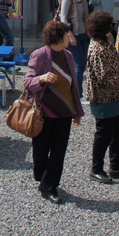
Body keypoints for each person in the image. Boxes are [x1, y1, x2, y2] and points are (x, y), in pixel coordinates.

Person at [24, 21, 82, 205]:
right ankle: (42, 177)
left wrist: (77, 112)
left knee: (59, 152)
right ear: (58, 37)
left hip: (64, 112)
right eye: (67, 35)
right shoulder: (40, 55)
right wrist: (41, 78)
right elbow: (28, 81)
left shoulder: (68, 55)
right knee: (40, 152)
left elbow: (73, 87)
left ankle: (50, 185)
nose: (70, 38)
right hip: (43, 113)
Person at [84, 10, 119, 184]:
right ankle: (96, 168)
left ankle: (115, 166)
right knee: (104, 134)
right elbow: (104, 78)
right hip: (103, 97)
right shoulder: (99, 49)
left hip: (113, 96)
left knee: (118, 130)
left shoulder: (101, 44)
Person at [58, 0, 91, 89]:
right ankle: (78, 92)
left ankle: (74, 90)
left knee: (80, 63)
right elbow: (63, 18)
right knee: (79, 64)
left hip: (82, 34)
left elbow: (86, 17)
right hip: (71, 35)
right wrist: (70, 35)